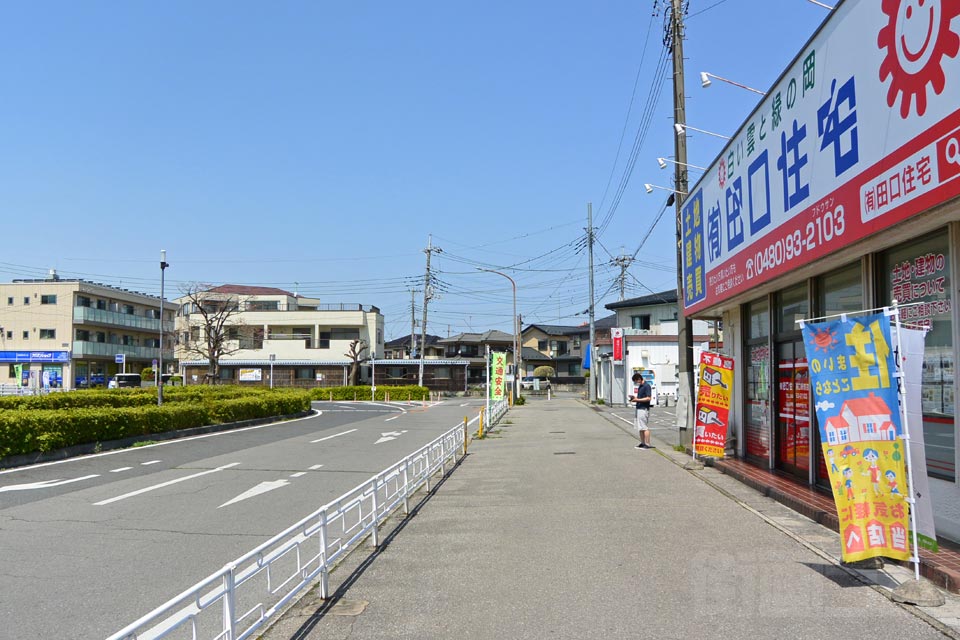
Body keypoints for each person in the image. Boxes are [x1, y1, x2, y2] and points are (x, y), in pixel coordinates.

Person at [629, 372, 653, 449]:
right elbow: (640, 397)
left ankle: (647, 444)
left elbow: (648, 398)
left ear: (639, 379)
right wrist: (634, 398)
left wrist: (637, 400)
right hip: (639, 408)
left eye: (636, 381)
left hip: (643, 408)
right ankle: (642, 443)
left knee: (644, 426)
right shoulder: (640, 386)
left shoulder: (646, 386)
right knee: (640, 427)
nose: (636, 383)